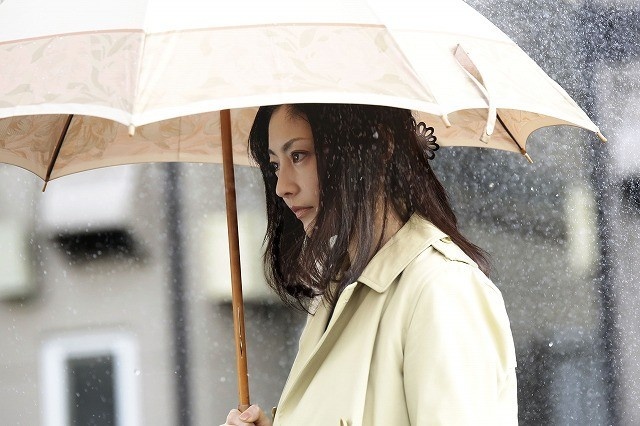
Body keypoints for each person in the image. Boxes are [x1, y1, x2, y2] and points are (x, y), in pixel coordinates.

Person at [223, 104, 517, 426]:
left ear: (376, 147)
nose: (282, 187)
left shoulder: (442, 288)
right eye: (275, 164)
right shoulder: (338, 292)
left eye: (299, 155)